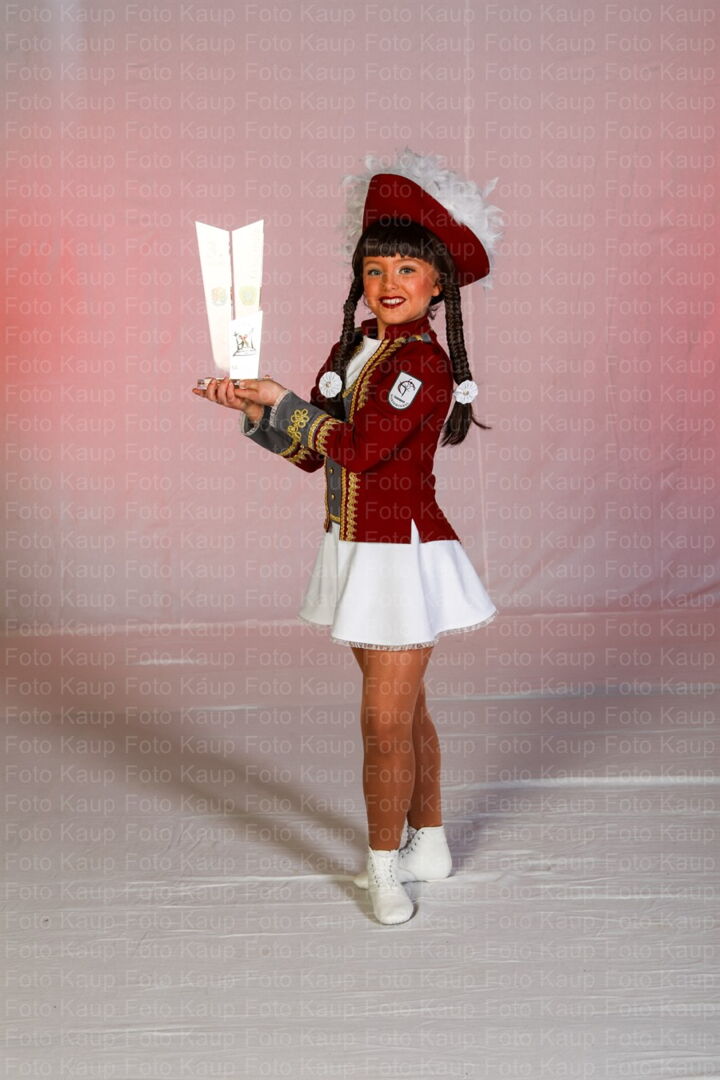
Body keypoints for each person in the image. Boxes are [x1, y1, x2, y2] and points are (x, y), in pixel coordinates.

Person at [192, 150, 504, 925]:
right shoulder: (352, 350)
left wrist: (284, 400)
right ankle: (431, 840)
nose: (388, 282)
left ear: (439, 284)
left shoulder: (424, 365)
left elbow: (361, 450)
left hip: (400, 558)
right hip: (353, 549)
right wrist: (253, 410)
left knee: (381, 724)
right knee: (407, 711)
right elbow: (314, 453)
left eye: (407, 268)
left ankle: (382, 869)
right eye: (374, 268)